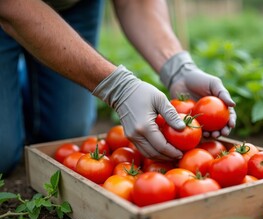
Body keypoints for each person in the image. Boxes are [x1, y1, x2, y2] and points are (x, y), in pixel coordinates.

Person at [0, 0, 236, 176]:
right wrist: (118, 87)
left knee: (66, 130)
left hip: (73, 5)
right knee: (3, 153)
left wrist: (178, 68)